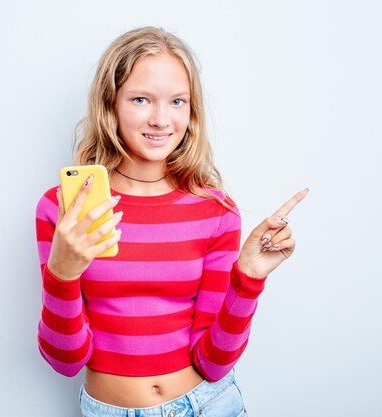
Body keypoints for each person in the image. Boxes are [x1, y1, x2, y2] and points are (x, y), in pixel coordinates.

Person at [35, 26, 308, 417]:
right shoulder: (62, 207)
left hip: (210, 405)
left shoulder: (215, 210)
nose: (161, 120)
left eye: (177, 101)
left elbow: (214, 363)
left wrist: (247, 278)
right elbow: (64, 361)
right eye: (141, 99)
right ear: (110, 104)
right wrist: (61, 273)